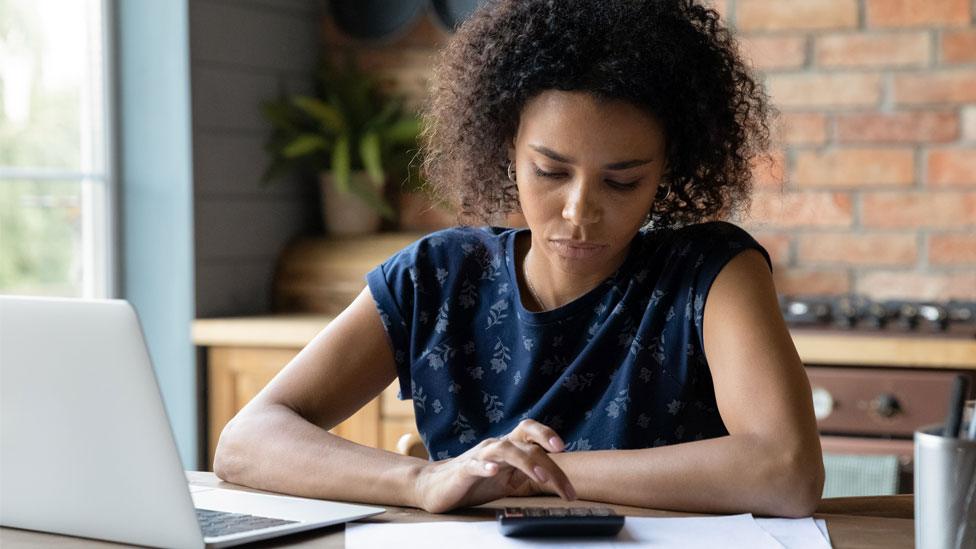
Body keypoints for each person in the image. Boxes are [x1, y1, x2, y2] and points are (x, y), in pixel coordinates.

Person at [214, 0, 825, 517]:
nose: (579, 211)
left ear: (669, 168)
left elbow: (787, 472)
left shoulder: (711, 273)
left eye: (622, 182)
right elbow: (246, 442)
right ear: (507, 147)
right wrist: (425, 480)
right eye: (550, 171)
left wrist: (534, 472)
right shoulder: (437, 277)